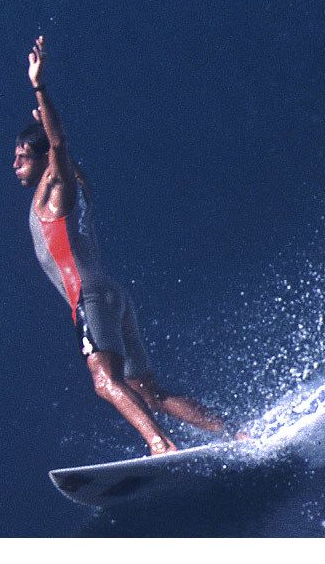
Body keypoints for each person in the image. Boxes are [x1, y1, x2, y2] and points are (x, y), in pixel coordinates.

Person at [15, 36, 239, 455]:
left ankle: (160, 446)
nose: (14, 164)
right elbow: (60, 148)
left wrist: (40, 88)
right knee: (150, 393)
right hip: (113, 296)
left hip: (89, 298)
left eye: (23, 156)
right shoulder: (71, 182)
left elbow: (59, 145)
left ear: (44, 161)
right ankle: (236, 434)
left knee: (104, 382)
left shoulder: (56, 189)